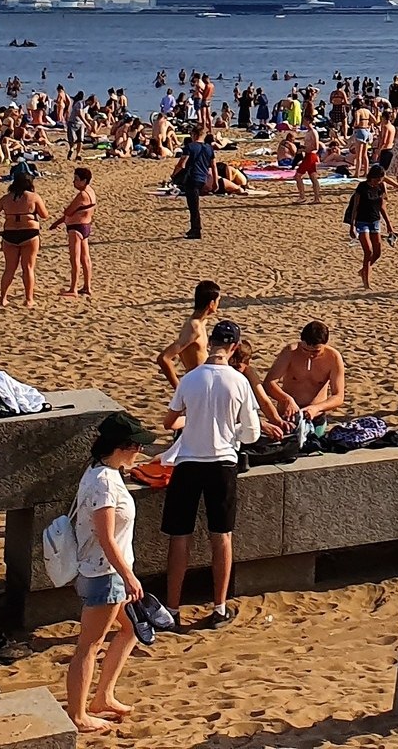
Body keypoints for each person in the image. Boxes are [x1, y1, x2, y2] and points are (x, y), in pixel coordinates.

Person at [160, 318, 259, 629]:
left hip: (189, 461)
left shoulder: (190, 378)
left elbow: (169, 420)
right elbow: (253, 433)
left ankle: (172, 608)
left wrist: (194, 422)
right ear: (232, 347)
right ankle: (219, 607)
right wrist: (232, 432)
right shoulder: (238, 381)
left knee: (180, 537)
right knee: (222, 536)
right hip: (222, 463)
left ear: (212, 342)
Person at [64, 412, 150, 732]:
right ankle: (78, 714)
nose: (139, 452)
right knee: (90, 644)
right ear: (121, 448)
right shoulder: (103, 483)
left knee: (129, 630)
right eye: (136, 447)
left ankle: (103, 697)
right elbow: (105, 536)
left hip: (104, 571)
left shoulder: (103, 472)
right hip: (105, 574)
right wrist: (128, 575)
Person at [267, 323, 346, 431]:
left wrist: (316, 408)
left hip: (315, 416)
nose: (310, 355)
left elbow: (338, 396)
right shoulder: (290, 352)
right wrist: (287, 399)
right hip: (287, 416)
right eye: (305, 350)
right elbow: (269, 383)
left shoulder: (333, 357)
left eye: (316, 352)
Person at [0, 167, 47, 308]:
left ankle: (3, 298)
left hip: (10, 234)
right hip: (29, 234)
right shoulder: (33, 197)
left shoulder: (6, 198)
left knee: (9, 269)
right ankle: (28, 299)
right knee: (28, 268)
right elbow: (45, 215)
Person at [156, 282, 220, 391]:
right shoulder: (194, 329)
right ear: (211, 303)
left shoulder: (200, 322)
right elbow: (164, 358)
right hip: (197, 385)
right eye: (218, 300)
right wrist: (179, 389)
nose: (219, 304)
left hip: (203, 383)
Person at [344, 167, 393, 288]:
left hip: (375, 221)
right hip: (362, 221)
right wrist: (352, 226)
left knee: (377, 253)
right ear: (372, 177)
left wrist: (389, 225)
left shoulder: (380, 187)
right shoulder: (362, 187)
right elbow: (355, 206)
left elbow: (382, 207)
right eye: (378, 179)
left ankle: (364, 270)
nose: (379, 182)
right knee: (368, 251)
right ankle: (366, 281)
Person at [58, 167, 97, 298]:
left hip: (76, 227)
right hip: (85, 225)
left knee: (75, 259)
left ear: (83, 180)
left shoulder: (82, 195)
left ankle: (73, 288)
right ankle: (87, 286)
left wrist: (65, 212)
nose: (73, 182)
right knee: (85, 258)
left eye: (76, 179)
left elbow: (68, 211)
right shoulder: (91, 192)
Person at [176, 130, 214, 241]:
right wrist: (215, 181)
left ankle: (196, 229)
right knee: (194, 204)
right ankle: (194, 228)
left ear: (194, 135)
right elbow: (213, 166)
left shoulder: (190, 147)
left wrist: (174, 174)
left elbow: (182, 164)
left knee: (193, 206)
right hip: (202, 179)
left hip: (192, 178)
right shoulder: (208, 148)